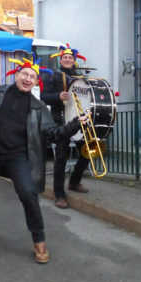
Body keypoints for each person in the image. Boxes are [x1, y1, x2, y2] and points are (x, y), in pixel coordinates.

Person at [0, 57, 82, 264]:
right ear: (17, 75)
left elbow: (53, 134)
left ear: (36, 82)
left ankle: (39, 240)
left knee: (28, 194)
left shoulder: (39, 107)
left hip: (18, 156)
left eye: (32, 76)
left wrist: (74, 125)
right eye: (25, 74)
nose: (28, 78)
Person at [41, 44, 90, 209]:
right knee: (60, 159)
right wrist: (57, 96)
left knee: (86, 151)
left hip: (77, 120)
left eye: (70, 58)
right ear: (60, 60)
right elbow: (44, 97)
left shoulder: (80, 77)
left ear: (74, 60)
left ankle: (74, 182)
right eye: (65, 58)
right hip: (59, 120)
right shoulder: (52, 76)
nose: (68, 59)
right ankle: (59, 195)